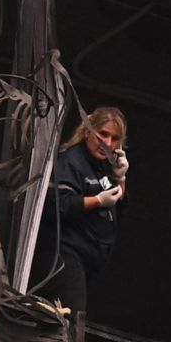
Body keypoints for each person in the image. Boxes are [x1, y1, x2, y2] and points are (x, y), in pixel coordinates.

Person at [33, 106, 130, 316]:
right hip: (64, 255)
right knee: (70, 322)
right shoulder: (71, 160)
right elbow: (59, 203)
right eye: (103, 134)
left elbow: (118, 208)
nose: (107, 143)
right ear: (88, 130)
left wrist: (121, 178)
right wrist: (96, 201)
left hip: (88, 261)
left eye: (114, 139)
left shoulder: (103, 166)